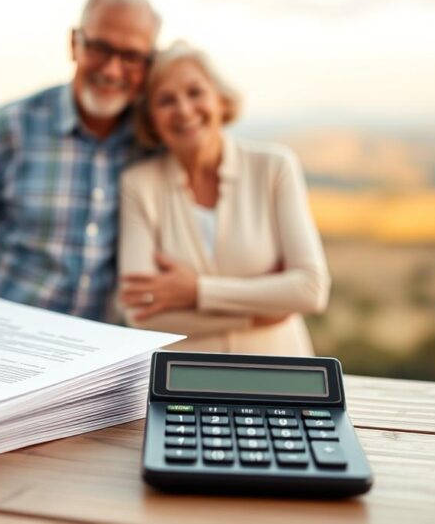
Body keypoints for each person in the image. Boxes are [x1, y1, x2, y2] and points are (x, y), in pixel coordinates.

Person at [0, 0, 160, 321]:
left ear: (149, 63)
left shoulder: (154, 143)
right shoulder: (4, 131)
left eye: (131, 56)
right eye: (100, 48)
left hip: (99, 357)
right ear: (74, 43)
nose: (112, 70)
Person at [118, 41, 330, 354]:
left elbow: (310, 290)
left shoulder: (274, 168)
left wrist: (196, 291)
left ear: (220, 98)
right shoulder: (138, 185)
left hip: (280, 376)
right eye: (166, 100)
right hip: (189, 383)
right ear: (150, 118)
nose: (184, 110)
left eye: (195, 92)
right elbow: (140, 314)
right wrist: (257, 315)